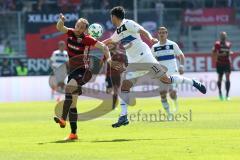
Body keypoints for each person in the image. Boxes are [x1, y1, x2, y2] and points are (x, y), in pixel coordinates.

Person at [103, 6, 206, 128]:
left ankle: (194, 83)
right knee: (124, 87)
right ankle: (123, 116)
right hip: (134, 63)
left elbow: (142, 30)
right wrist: (94, 43)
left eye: (111, 17)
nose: (111, 19)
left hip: (145, 57)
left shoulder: (128, 23)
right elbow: (110, 40)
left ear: (114, 17)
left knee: (166, 80)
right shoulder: (118, 31)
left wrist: (150, 38)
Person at [53, 13, 119, 140]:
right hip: (73, 71)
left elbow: (104, 47)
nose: (79, 28)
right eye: (77, 25)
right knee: (73, 102)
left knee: (69, 87)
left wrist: (109, 59)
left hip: (83, 71)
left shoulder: (88, 39)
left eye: (82, 27)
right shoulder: (70, 32)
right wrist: (61, 20)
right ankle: (73, 133)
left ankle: (62, 118)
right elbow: (60, 28)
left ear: (85, 30)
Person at [151, 27, 185, 119]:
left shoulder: (172, 44)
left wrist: (181, 66)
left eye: (163, 32)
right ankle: (169, 114)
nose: (162, 34)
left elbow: (181, 55)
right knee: (162, 94)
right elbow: (152, 61)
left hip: (173, 72)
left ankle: (175, 104)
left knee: (172, 93)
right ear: (158, 34)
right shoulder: (154, 47)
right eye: (160, 33)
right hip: (161, 74)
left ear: (167, 34)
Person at [102, 42, 127, 110]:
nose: (110, 45)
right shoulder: (107, 54)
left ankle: (113, 106)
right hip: (108, 75)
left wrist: (124, 69)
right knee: (108, 91)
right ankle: (111, 94)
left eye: (112, 44)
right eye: (109, 44)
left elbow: (125, 65)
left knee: (116, 91)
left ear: (116, 45)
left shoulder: (121, 55)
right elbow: (103, 63)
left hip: (117, 75)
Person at [212, 32, 232, 101]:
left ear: (226, 36)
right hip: (220, 63)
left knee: (227, 77)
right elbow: (214, 53)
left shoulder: (229, 44)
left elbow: (228, 53)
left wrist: (229, 53)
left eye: (224, 35)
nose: (223, 37)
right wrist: (220, 55)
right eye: (222, 35)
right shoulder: (217, 44)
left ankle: (227, 95)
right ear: (220, 37)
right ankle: (220, 94)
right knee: (220, 79)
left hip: (227, 63)